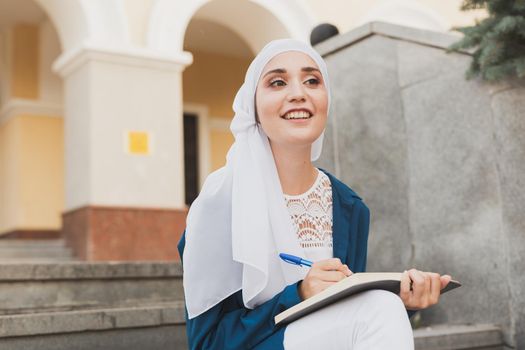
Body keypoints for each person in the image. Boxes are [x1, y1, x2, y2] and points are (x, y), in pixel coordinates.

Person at [177, 39, 452, 350]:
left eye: (312, 80)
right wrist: (300, 293)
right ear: (252, 107)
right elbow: (207, 343)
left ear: (326, 100)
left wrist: (405, 301)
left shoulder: (348, 205)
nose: (298, 93)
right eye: (277, 82)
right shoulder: (221, 200)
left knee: (382, 306)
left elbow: (348, 318)